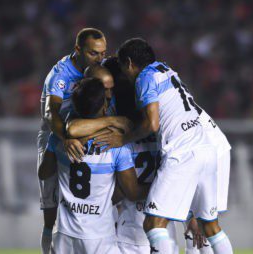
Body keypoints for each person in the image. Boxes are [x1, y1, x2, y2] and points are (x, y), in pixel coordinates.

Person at [97, 38, 233, 254]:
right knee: (210, 228)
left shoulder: (144, 78)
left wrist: (123, 138)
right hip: (208, 147)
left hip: (183, 152)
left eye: (124, 69)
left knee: (153, 225)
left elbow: (152, 124)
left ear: (130, 63)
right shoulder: (167, 70)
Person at [67, 58, 181, 254]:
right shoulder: (162, 122)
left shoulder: (114, 132)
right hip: (163, 226)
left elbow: (124, 192)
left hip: (129, 231)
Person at [49, 77, 149, 254]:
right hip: (99, 236)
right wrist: (163, 184)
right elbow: (132, 192)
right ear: (104, 106)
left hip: (63, 234)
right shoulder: (115, 146)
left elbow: (44, 173)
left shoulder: (60, 140)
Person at [37, 28, 107, 254]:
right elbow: (51, 113)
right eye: (94, 54)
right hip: (55, 137)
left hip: (86, 133)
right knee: (51, 205)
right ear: (78, 50)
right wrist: (65, 137)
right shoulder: (61, 74)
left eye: (103, 53)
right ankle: (49, 244)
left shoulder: (98, 70)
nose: (100, 59)